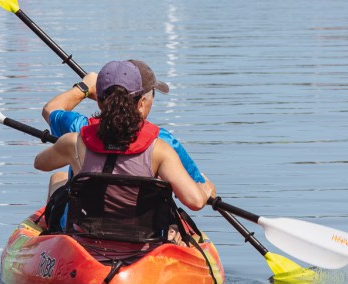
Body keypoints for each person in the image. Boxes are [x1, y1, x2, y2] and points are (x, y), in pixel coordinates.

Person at [35, 60, 215, 228]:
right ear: (141, 102)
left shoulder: (76, 138)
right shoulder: (161, 145)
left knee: (58, 178)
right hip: (142, 237)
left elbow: (40, 162)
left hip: (83, 232)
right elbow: (196, 201)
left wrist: (83, 87)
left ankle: (51, 239)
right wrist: (207, 190)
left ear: (98, 99)